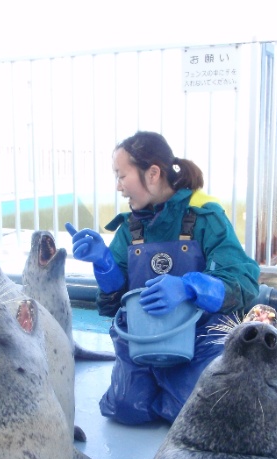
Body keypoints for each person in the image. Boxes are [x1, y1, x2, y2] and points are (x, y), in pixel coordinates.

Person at [66, 130, 260, 425]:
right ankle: (158, 383)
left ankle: (181, 386)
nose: (119, 187)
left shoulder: (205, 218)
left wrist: (189, 287)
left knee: (194, 413)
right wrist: (103, 263)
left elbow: (243, 283)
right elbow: (111, 305)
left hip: (199, 339)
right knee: (127, 408)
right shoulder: (129, 229)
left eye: (122, 176)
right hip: (143, 342)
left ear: (153, 173)